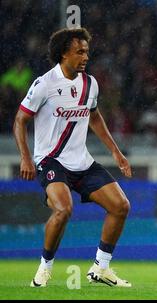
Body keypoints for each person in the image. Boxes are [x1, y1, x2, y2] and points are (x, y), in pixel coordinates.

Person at [13, 28, 133, 287]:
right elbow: (20, 120)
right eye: (79, 52)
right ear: (63, 54)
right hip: (51, 160)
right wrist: (25, 157)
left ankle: (101, 268)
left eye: (87, 51)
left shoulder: (90, 83)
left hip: (82, 161)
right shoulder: (45, 84)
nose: (85, 56)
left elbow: (94, 116)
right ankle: (44, 268)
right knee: (64, 209)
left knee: (121, 206)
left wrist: (116, 152)